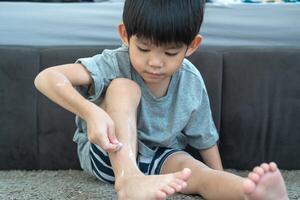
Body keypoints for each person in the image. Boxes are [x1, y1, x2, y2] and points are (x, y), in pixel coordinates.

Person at [34, 0, 289, 199]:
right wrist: (91, 112)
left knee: (196, 171)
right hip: (108, 152)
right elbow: (46, 77)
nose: (155, 62)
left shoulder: (190, 81)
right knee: (124, 87)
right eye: (143, 49)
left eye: (170, 52)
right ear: (125, 35)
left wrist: (218, 176)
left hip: (160, 158)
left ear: (192, 46)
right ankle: (129, 180)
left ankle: (253, 193)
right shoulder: (113, 62)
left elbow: (204, 137)